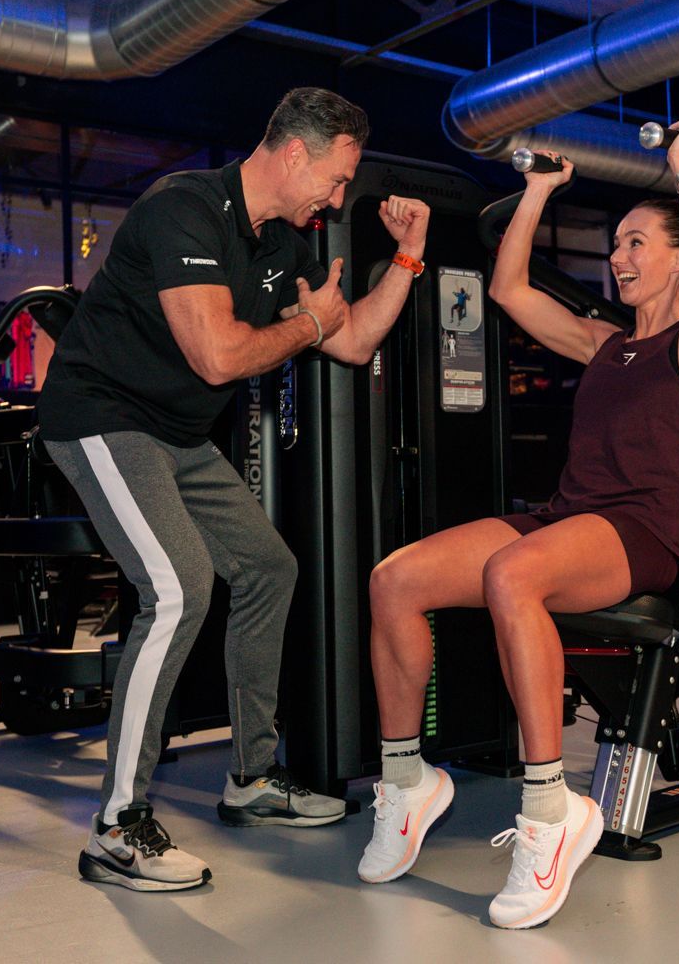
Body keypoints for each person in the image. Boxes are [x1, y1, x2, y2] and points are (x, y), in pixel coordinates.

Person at [38, 88, 432, 892]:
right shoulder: (182, 210)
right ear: (295, 153)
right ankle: (116, 827)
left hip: (178, 436)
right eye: (336, 179)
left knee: (268, 568)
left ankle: (251, 778)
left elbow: (355, 339)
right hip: (103, 418)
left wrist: (407, 259)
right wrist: (310, 325)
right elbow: (218, 356)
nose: (338, 199)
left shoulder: (282, 243)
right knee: (177, 590)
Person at [356, 123, 679, 928]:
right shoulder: (605, 344)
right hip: (568, 517)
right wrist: (535, 191)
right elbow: (507, 290)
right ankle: (406, 781)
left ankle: (549, 810)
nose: (619, 258)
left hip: (639, 533)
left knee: (512, 573)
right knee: (395, 580)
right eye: (616, 245)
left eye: (637, 244)